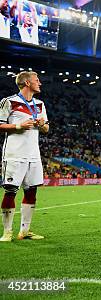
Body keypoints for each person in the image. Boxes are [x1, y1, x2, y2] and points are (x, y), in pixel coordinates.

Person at [0, 71, 49, 241]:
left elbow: (46, 129)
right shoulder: (9, 101)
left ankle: (25, 231)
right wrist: (18, 125)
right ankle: (7, 232)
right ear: (27, 83)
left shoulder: (40, 104)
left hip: (33, 155)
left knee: (31, 192)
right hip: (14, 154)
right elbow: (0, 125)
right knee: (10, 191)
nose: (40, 83)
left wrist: (42, 125)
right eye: (37, 80)